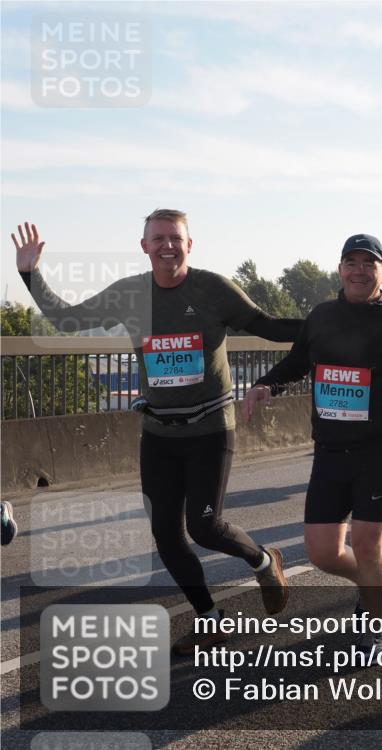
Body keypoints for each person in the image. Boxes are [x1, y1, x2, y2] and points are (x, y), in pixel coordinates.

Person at [11, 216, 299, 655]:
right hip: (159, 432)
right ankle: (209, 620)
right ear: (144, 246)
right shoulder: (130, 293)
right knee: (166, 534)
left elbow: (269, 326)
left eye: (175, 239)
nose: (168, 246)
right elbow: (69, 320)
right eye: (158, 239)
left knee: (205, 526)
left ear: (190, 245)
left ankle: (262, 560)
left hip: (210, 428)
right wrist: (30, 275)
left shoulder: (212, 289)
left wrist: (337, 321)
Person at [243, 234, 382, 655]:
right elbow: (297, 363)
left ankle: (376, 621)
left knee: (369, 546)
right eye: (350, 262)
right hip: (330, 450)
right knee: (322, 554)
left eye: (368, 264)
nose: (358, 270)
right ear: (340, 270)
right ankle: (374, 586)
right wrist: (266, 385)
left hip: (378, 450)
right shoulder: (322, 317)